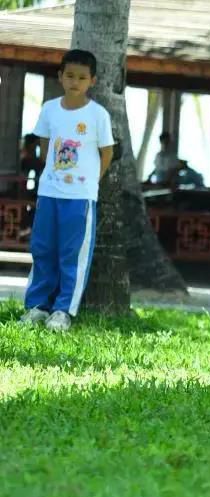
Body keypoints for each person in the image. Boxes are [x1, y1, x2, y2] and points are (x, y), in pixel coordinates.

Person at [19, 49, 114, 333]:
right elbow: (46, 147)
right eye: (70, 75)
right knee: (43, 249)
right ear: (60, 77)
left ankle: (63, 311)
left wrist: (92, 182)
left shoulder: (98, 115)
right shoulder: (49, 109)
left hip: (80, 197)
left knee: (72, 254)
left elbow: (106, 153)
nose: (75, 81)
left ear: (92, 81)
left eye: (82, 77)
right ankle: (37, 307)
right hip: (49, 192)